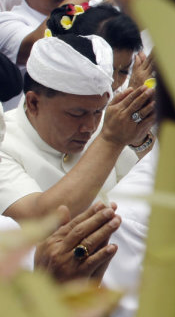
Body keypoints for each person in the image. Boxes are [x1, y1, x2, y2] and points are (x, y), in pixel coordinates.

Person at [0, 34, 155, 222]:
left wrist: (138, 138)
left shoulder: (105, 123)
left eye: (98, 111)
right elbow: (40, 218)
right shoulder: (5, 143)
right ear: (33, 103)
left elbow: (144, 183)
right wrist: (110, 141)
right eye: (76, 114)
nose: (89, 127)